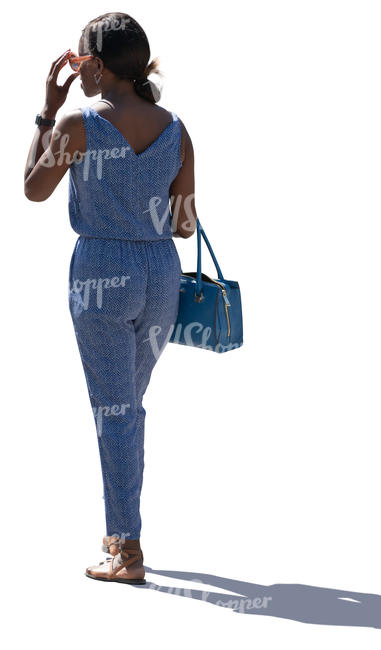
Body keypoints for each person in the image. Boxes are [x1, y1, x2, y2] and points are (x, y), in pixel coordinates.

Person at [23, 12, 196, 585]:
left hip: (102, 270)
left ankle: (125, 546)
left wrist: (47, 110)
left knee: (115, 412)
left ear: (94, 64)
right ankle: (121, 534)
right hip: (160, 275)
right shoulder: (176, 128)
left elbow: (33, 189)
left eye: (78, 59)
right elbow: (184, 225)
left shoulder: (76, 123)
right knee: (128, 409)